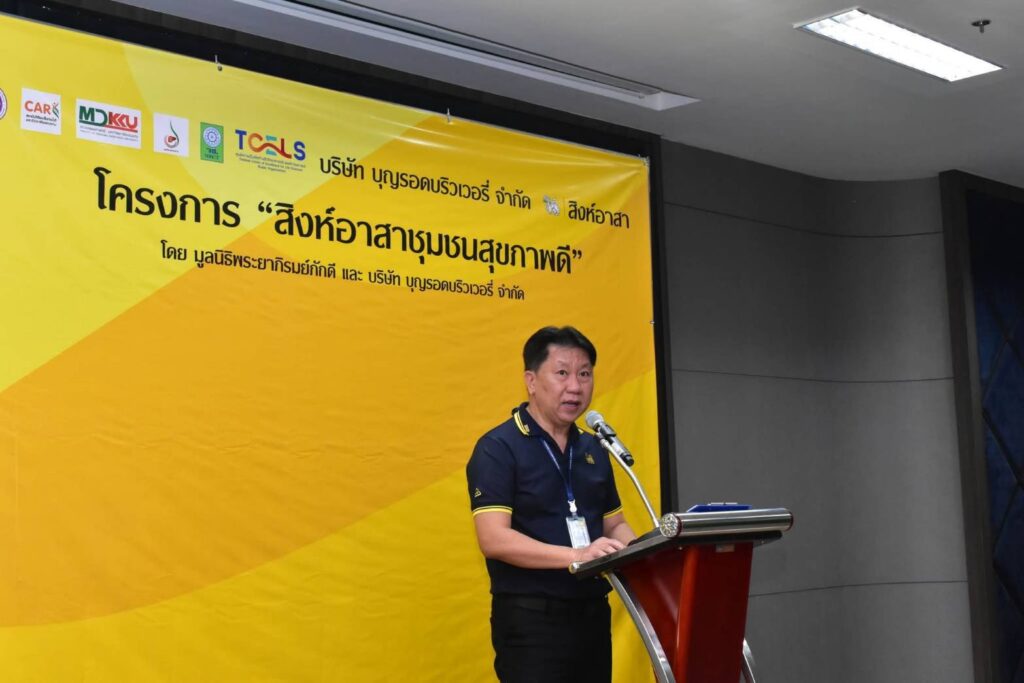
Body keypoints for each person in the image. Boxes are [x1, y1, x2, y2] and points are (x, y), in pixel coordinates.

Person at [466, 326, 636, 683]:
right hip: (532, 622)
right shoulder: (499, 448)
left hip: (592, 616)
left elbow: (614, 524)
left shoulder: (594, 449)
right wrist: (577, 556)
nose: (575, 386)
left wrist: (641, 555)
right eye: (562, 373)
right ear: (531, 381)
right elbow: (494, 539)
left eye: (584, 374)